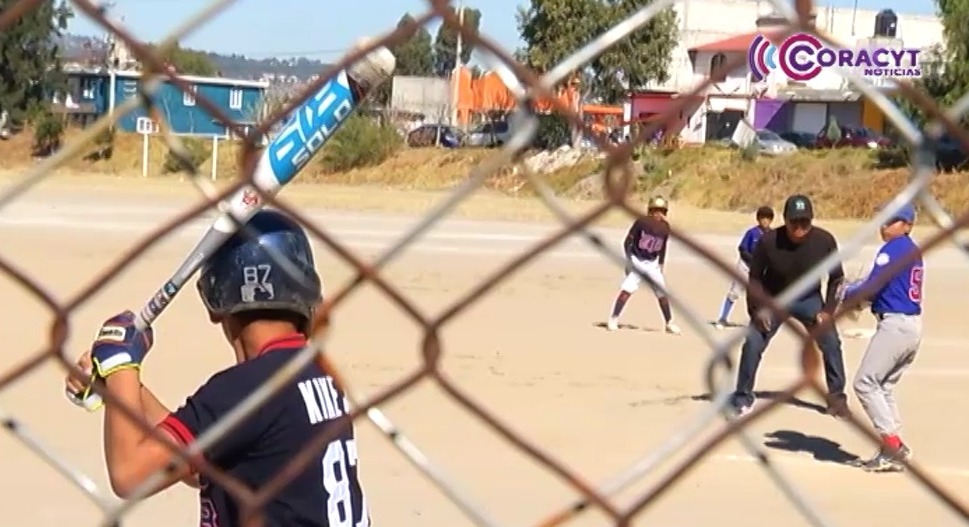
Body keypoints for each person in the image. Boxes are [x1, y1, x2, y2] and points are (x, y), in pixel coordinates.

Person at [64, 210, 371, 526]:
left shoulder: (245, 389)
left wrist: (119, 364)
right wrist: (123, 388)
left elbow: (130, 474)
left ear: (214, 299)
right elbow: (200, 464)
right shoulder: (317, 374)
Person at [729, 194, 849, 417]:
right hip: (774, 298)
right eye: (794, 221)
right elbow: (754, 278)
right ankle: (742, 396)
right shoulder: (768, 242)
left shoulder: (825, 241)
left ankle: (837, 399)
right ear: (785, 220)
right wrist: (757, 309)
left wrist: (828, 311)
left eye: (805, 222)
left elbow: (837, 279)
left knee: (831, 342)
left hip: (809, 299)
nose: (799, 227)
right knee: (753, 342)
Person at [842, 203, 923, 472]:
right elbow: (884, 288)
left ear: (907, 225)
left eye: (892, 221)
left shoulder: (893, 249)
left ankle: (893, 446)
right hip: (910, 326)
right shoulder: (912, 250)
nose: (884, 226)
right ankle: (893, 445)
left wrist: (849, 293)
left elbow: (873, 286)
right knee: (884, 386)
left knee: (865, 383)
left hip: (896, 326)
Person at [606, 196, 681, 335]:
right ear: (650, 211)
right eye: (656, 211)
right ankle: (613, 318)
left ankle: (669, 323)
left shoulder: (665, 227)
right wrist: (629, 261)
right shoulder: (641, 222)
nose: (659, 214)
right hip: (637, 260)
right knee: (627, 290)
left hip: (652, 264)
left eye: (662, 211)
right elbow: (627, 241)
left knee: (662, 293)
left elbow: (663, 247)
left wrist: (661, 263)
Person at [714, 206, 775, 329]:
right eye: (762, 218)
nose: (765, 221)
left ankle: (757, 321)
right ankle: (722, 318)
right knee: (735, 292)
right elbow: (742, 249)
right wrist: (753, 261)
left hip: (761, 270)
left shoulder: (772, 235)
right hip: (746, 266)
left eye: (768, 219)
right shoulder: (752, 233)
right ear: (758, 219)